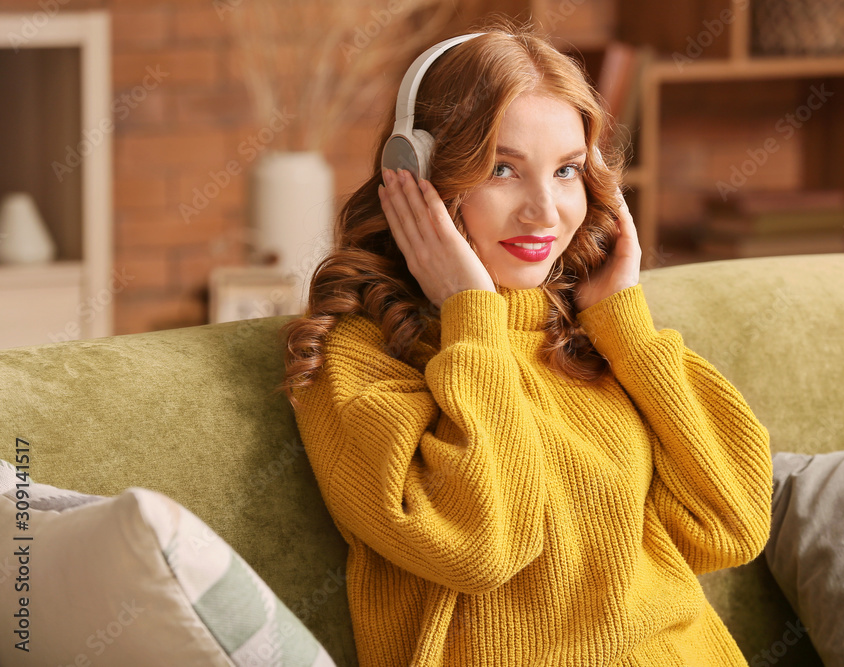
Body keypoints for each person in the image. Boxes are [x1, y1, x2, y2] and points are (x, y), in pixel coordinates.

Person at [279, 18, 773, 667]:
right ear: (417, 172)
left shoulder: (590, 329)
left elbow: (733, 522)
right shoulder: (358, 355)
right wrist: (470, 314)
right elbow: (483, 547)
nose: (545, 212)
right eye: (503, 168)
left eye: (567, 170)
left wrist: (623, 323)